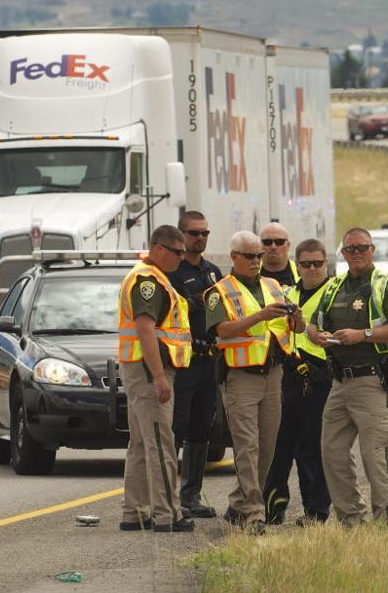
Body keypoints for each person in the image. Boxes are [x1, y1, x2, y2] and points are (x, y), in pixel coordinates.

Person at [307, 228, 388, 526]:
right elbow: (312, 327)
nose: (356, 253)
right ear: (342, 253)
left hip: (373, 381)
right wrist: (320, 337)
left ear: (372, 249)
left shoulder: (386, 285)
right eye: (350, 249)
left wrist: (362, 335)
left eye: (361, 247)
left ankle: (385, 523)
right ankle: (351, 520)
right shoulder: (333, 287)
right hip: (340, 382)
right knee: (332, 452)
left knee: (374, 455)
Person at [204, 230, 303, 533]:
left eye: (259, 255)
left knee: (267, 446)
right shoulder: (218, 292)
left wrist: (296, 316)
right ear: (234, 257)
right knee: (247, 447)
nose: (256, 261)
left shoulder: (273, 286)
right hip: (240, 376)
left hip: (273, 374)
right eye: (249, 256)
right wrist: (259, 316)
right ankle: (254, 514)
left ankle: (238, 503)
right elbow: (222, 330)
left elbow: (293, 326)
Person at [117, 225, 194, 533]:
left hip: (141, 368)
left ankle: (134, 511)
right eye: (177, 252)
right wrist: (160, 376)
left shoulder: (150, 277)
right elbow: (145, 329)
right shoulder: (148, 281)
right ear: (158, 249)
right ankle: (167, 514)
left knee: (140, 442)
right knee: (161, 443)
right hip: (149, 370)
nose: (182, 258)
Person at [263, 239, 333, 526]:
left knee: (312, 449)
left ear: (326, 263)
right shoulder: (289, 293)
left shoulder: (334, 292)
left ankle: (315, 512)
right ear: (298, 264)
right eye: (306, 264)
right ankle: (273, 506)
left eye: (318, 263)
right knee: (280, 448)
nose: (312, 269)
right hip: (290, 376)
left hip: (320, 377)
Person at [167, 210, 224, 519]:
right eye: (193, 233)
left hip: (209, 360)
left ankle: (191, 495)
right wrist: (194, 301)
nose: (199, 238)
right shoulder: (171, 272)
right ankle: (167, 498)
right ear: (181, 235)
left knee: (202, 427)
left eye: (204, 233)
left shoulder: (213, 272)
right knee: (176, 427)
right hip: (183, 362)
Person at [259, 221, 298, 287]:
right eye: (267, 242)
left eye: (279, 242)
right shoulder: (249, 274)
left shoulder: (301, 272)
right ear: (260, 246)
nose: (273, 247)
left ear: (288, 245)